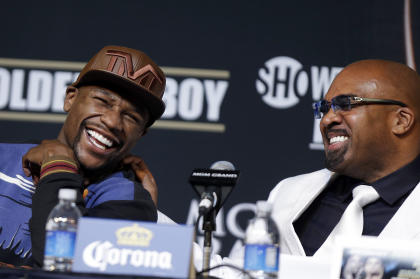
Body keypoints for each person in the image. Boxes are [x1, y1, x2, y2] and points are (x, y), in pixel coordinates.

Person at [200, 59, 420, 278]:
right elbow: (240, 274)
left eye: (346, 104)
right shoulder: (288, 192)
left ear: (401, 121)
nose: (327, 119)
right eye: (325, 108)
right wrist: (165, 231)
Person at [0, 45, 166, 267]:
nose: (113, 122)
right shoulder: (3, 159)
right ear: (70, 99)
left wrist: (59, 165)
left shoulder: (129, 202)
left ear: (141, 133)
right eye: (103, 101)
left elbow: (65, 264)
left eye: (132, 117)